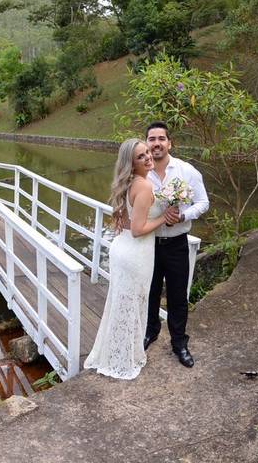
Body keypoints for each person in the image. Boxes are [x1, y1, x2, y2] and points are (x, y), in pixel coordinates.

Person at [83, 138, 169, 379]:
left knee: (121, 303)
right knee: (133, 304)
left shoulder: (129, 183)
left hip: (123, 248)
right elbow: (139, 228)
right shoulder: (143, 186)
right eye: (141, 156)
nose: (148, 157)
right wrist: (165, 217)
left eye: (148, 152)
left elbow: (124, 222)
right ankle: (124, 359)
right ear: (131, 164)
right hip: (136, 252)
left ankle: (119, 353)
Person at [143, 121, 209, 368]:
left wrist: (182, 215)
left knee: (178, 295)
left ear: (170, 143)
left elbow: (203, 203)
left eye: (161, 138)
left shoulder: (186, 171)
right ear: (146, 143)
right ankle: (151, 331)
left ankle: (179, 342)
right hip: (148, 244)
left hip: (176, 244)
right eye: (152, 139)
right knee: (149, 292)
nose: (157, 143)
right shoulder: (141, 172)